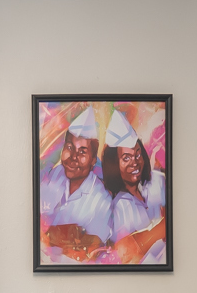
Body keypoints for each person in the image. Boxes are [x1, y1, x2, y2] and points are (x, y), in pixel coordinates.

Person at [39, 106, 116, 261]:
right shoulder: (54, 175)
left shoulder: (102, 202)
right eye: (69, 147)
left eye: (82, 152)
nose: (73, 157)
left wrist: (50, 235)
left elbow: (90, 251)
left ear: (94, 160)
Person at [101, 108, 167, 264]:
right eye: (126, 158)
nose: (135, 162)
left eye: (137, 154)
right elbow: (127, 255)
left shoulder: (152, 188)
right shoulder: (120, 208)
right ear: (114, 165)